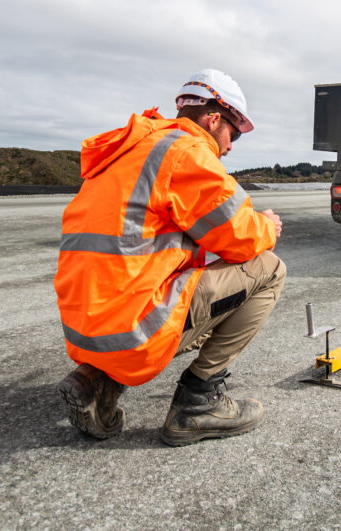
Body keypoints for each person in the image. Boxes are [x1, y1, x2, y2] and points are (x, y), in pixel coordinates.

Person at [54, 69, 287, 446]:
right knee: (269, 270)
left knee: (172, 284)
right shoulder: (185, 153)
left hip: (86, 329)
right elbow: (241, 239)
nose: (230, 147)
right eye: (235, 132)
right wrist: (267, 226)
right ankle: (198, 401)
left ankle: (96, 380)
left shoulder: (128, 150)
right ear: (214, 118)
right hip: (130, 329)